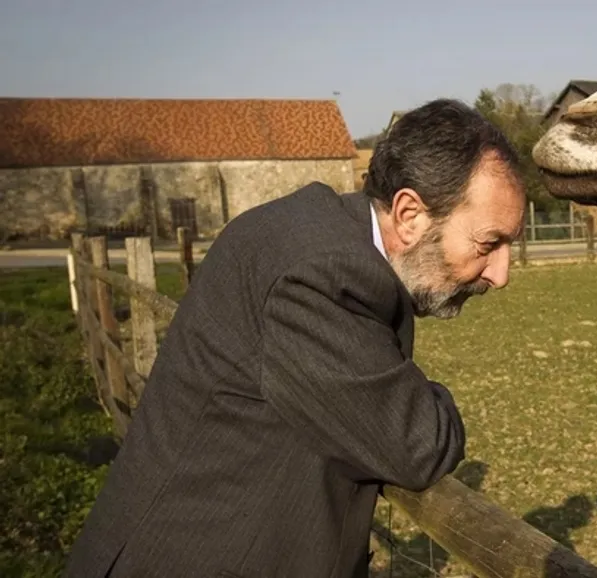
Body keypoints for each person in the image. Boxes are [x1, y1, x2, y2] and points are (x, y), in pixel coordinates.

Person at [63, 98, 527, 577]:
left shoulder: (309, 229)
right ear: (409, 214)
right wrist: (435, 402)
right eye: (489, 243)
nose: (501, 273)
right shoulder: (323, 274)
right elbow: (417, 445)